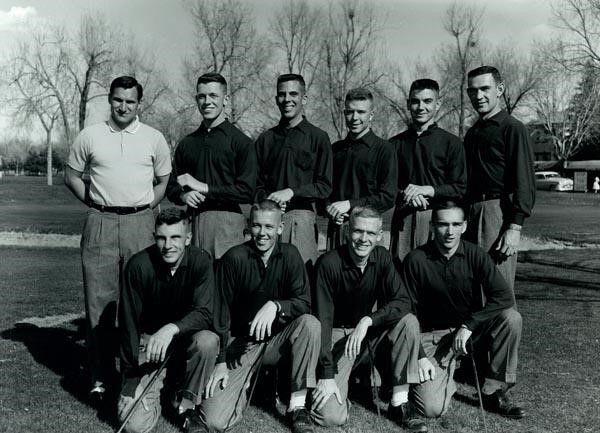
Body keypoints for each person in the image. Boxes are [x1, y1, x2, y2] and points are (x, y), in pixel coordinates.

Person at [64, 76, 172, 400]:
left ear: (139, 103)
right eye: (117, 100)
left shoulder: (154, 138)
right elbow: (70, 175)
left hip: (141, 222)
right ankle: (99, 376)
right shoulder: (91, 136)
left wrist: (144, 208)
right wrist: (97, 204)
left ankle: (135, 371)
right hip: (101, 221)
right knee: (99, 302)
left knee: (139, 301)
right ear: (109, 100)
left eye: (130, 101)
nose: (123, 106)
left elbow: (164, 179)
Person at [199, 199, 320, 433]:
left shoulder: (291, 255)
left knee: (310, 324)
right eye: (256, 226)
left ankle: (297, 406)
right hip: (242, 346)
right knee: (214, 420)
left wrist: (276, 306)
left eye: (269, 227)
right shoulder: (234, 258)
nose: (262, 233)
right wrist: (221, 361)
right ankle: (250, 384)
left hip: (277, 343)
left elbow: (304, 303)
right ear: (248, 227)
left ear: (280, 228)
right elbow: (219, 313)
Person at [400, 201, 524, 420]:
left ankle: (494, 390)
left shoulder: (475, 254)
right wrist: (419, 355)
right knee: (431, 409)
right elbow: (404, 313)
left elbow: (503, 296)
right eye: (443, 225)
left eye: (456, 224)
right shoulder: (416, 259)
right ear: (431, 226)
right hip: (433, 337)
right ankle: (445, 375)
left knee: (511, 318)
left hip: (469, 333)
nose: (450, 231)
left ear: (465, 226)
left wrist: (469, 325)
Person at [311, 206, 427, 433]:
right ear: (347, 231)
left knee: (408, 321)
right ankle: (345, 390)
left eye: (371, 233)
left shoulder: (382, 256)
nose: (364, 239)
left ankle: (399, 402)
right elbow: (322, 320)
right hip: (335, 336)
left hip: (366, 333)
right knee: (329, 417)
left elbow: (402, 301)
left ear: (380, 236)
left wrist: (368, 320)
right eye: (358, 231)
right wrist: (326, 374)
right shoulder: (328, 263)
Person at [117, 208, 218, 433]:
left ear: (188, 238)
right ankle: (165, 390)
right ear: (154, 237)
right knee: (134, 426)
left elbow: (204, 312)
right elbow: (128, 325)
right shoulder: (138, 265)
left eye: (175, 238)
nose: (168, 245)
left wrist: (171, 329)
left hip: (186, 341)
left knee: (208, 341)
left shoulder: (201, 260)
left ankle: (186, 405)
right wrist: (130, 377)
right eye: (162, 238)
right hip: (150, 345)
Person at [166, 73, 256, 259]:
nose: (207, 101)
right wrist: (184, 195)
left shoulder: (240, 142)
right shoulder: (187, 143)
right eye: (202, 96)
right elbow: (171, 185)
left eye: (213, 95)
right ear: (196, 99)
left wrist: (204, 188)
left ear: (226, 99)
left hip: (228, 223)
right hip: (193, 221)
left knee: (225, 282)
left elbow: (247, 191)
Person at [463, 66, 535, 292]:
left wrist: (514, 227)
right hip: (470, 213)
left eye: (485, 89)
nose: (479, 96)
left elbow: (525, 180)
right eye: (473, 91)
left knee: (496, 288)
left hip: (496, 213)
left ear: (500, 90)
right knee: (472, 288)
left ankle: (505, 329)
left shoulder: (513, 128)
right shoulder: (473, 132)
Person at [255, 74, 332, 266]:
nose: (287, 99)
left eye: (293, 94)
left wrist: (291, 192)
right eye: (282, 94)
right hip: (268, 220)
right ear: (276, 99)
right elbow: (254, 185)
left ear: (304, 98)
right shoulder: (266, 139)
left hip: (302, 218)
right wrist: (269, 200)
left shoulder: (318, 137)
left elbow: (324, 186)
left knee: (302, 277)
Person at [389, 79, 466, 261]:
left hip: (438, 219)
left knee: (434, 275)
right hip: (404, 218)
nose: (420, 107)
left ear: (438, 104)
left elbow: (459, 187)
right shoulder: (394, 144)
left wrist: (427, 190)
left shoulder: (451, 143)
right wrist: (408, 195)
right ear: (408, 104)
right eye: (415, 101)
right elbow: (387, 185)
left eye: (427, 101)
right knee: (401, 271)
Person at [326, 88, 397, 249]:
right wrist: (330, 209)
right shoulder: (335, 150)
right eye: (350, 112)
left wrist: (350, 204)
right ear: (344, 113)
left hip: (368, 231)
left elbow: (388, 197)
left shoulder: (384, 149)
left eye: (361, 112)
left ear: (371, 115)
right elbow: (325, 190)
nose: (354, 117)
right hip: (338, 230)